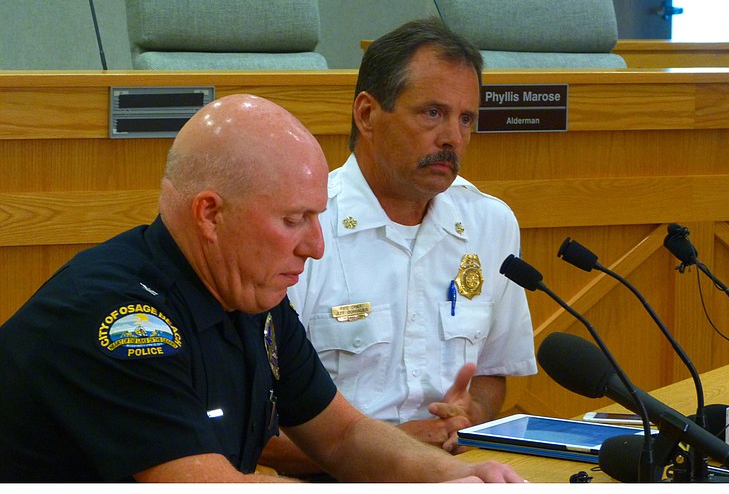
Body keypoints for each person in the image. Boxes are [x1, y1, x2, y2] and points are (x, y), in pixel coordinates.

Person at [0, 94, 523, 483]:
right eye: (294, 219)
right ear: (210, 214)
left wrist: (456, 477)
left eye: (317, 217)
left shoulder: (250, 295)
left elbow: (342, 436)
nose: (316, 246)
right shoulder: (119, 316)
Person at [260, 18, 536, 475]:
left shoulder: (491, 223)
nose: (452, 137)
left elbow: (492, 371)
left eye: (466, 118)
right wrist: (386, 449)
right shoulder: (302, 227)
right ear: (367, 114)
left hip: (454, 469)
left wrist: (471, 413)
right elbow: (252, 422)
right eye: (432, 113)